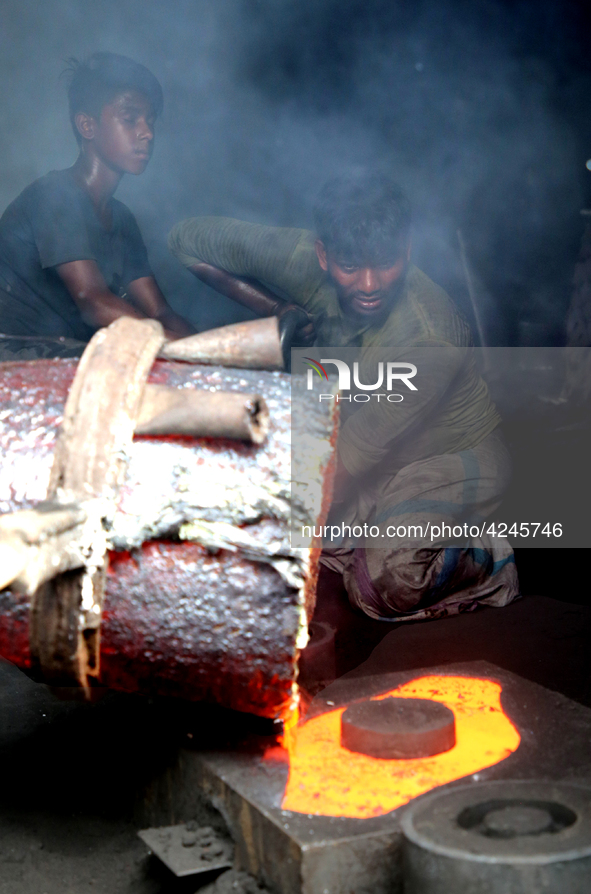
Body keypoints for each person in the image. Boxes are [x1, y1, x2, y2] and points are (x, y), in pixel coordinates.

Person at [168, 172, 519, 622]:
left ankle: (486, 554)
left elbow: (348, 456)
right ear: (322, 255)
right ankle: (380, 526)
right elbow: (187, 241)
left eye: (385, 263)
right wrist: (278, 310)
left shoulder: (430, 337)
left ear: (407, 251)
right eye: (350, 267)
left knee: (384, 582)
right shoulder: (303, 260)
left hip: (451, 457)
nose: (369, 284)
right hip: (370, 457)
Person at [0, 52, 195, 346]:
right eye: (130, 119)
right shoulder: (53, 196)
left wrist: (212, 353)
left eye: (150, 121)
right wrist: (185, 351)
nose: (147, 132)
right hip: (13, 359)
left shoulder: (123, 219)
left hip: (66, 357)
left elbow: (159, 311)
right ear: (87, 126)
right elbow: (93, 301)